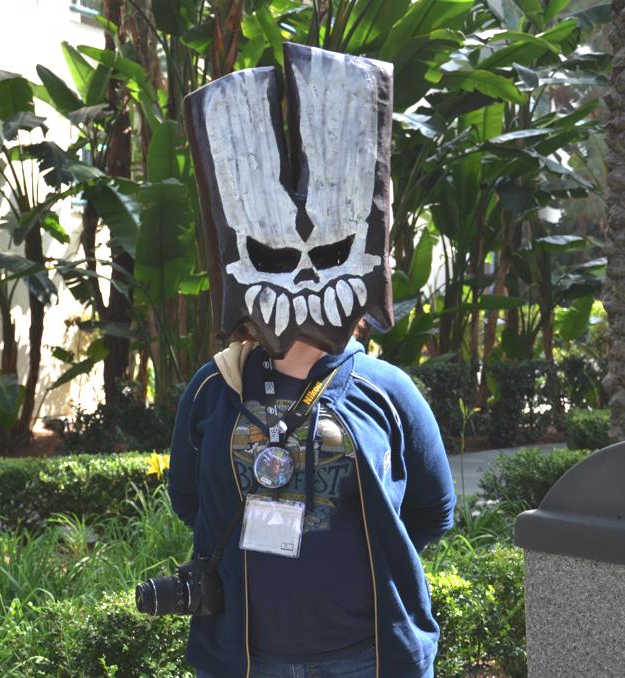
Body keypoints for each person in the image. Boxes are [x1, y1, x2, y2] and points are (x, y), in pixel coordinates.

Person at [170, 41, 457, 678]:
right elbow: (190, 500)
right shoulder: (215, 387)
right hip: (248, 658)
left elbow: (432, 511)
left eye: (329, 253)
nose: (304, 277)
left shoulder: (388, 390)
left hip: (367, 656)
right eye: (275, 255)